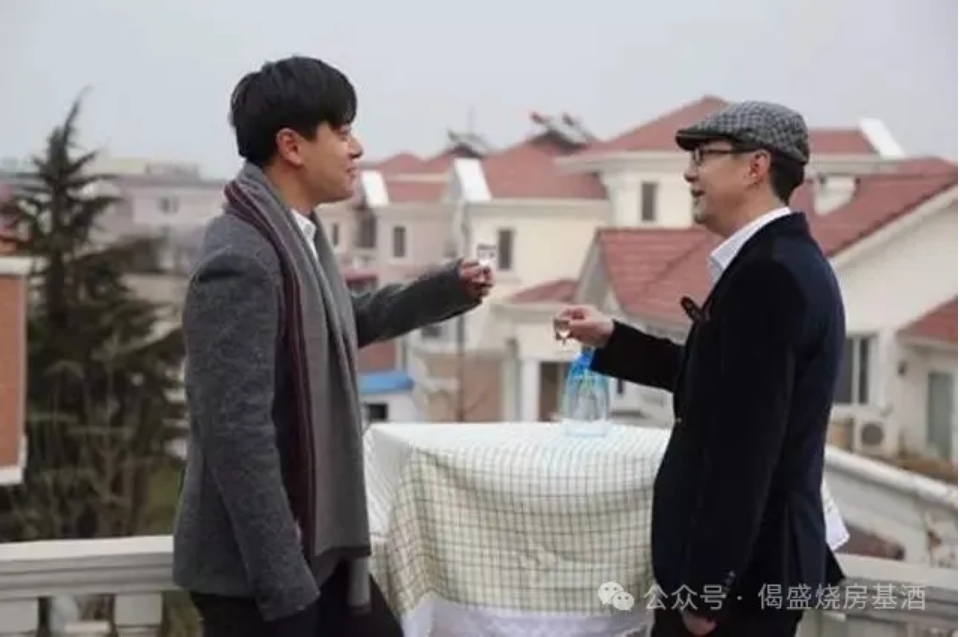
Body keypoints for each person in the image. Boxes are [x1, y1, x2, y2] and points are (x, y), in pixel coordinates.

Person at [172, 56, 492, 637]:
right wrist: (286, 587)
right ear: (292, 146)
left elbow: (343, 323)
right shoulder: (241, 259)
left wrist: (445, 291)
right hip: (258, 579)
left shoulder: (297, 237)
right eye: (342, 132)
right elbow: (236, 434)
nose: (357, 148)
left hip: (315, 551)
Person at [555, 102, 846, 636]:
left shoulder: (771, 276)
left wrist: (708, 588)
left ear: (756, 166)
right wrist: (611, 338)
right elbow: (719, 384)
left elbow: (746, 446)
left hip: (737, 587)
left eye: (705, 156)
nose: (690, 173)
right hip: (742, 578)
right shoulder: (773, 262)